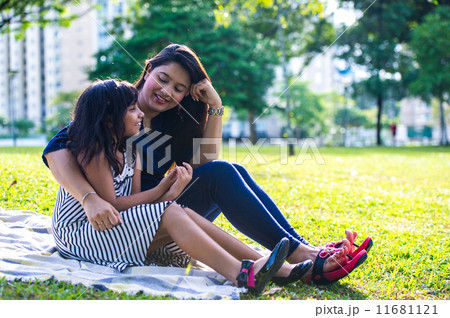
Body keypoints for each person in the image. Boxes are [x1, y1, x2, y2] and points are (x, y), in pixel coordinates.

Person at [43, 44, 369, 285]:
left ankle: (299, 254)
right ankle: (301, 259)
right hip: (127, 219)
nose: (167, 91)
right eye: (163, 78)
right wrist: (90, 198)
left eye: (179, 88)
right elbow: (57, 151)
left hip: (154, 209)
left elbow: (209, 162)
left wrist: (216, 107)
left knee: (231, 171)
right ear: (148, 71)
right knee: (223, 174)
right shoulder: (109, 109)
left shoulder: (172, 123)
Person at [51, 78, 313, 295]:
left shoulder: (133, 149)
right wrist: (161, 190)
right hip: (81, 234)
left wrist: (170, 192)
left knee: (179, 209)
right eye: (132, 109)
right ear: (108, 118)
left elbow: (134, 202)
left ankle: (276, 269)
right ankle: (240, 274)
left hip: (113, 227)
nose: (140, 113)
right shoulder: (95, 151)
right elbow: (113, 205)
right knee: (173, 211)